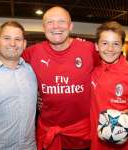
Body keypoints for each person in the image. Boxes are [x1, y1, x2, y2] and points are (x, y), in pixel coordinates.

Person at [22, 6, 99, 150]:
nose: (56, 26)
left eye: (61, 21)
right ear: (44, 27)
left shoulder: (89, 49)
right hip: (47, 132)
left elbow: (112, 69)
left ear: (70, 26)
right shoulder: (32, 52)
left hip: (81, 135)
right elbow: (9, 62)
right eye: (50, 22)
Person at [0, 21, 38, 150]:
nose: (12, 43)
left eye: (18, 39)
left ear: (24, 44)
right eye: (7, 38)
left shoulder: (32, 71)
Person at [90, 21, 128, 150]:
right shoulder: (93, 71)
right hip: (95, 143)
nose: (110, 49)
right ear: (96, 46)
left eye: (116, 44)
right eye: (105, 43)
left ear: (122, 46)